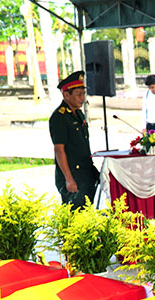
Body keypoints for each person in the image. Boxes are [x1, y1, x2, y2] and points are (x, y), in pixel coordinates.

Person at [49, 71, 97, 208]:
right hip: (73, 175)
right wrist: (69, 179)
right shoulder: (59, 117)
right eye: (78, 94)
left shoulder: (79, 114)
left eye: (83, 94)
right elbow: (59, 150)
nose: (82, 98)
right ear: (66, 95)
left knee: (88, 212)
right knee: (75, 213)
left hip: (86, 173)